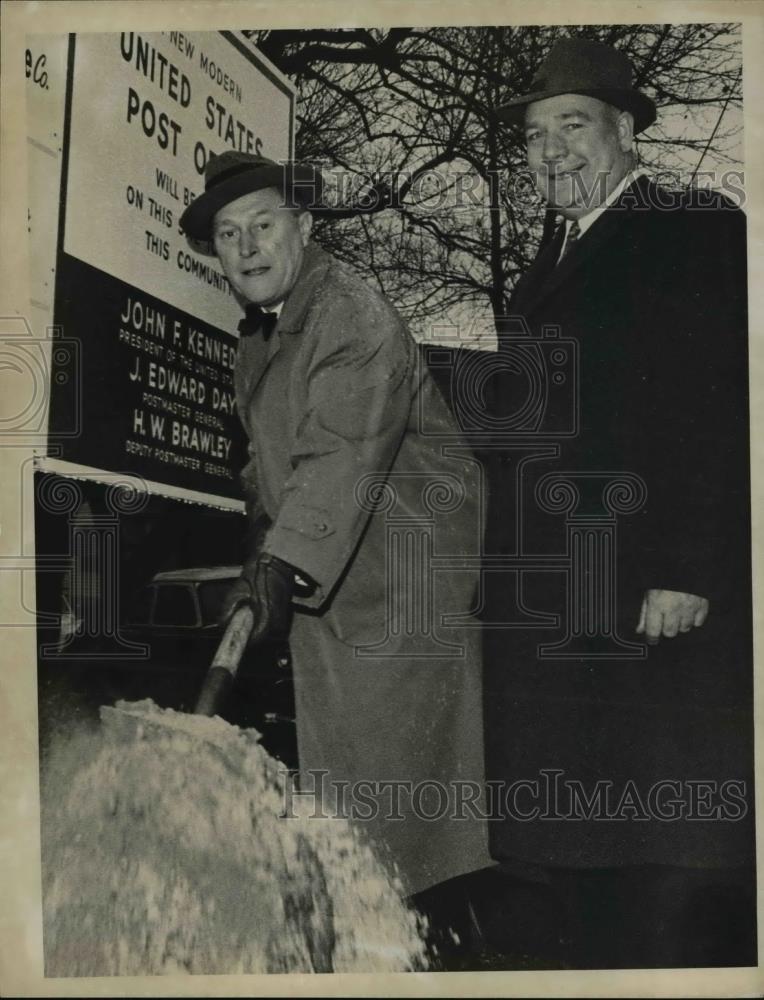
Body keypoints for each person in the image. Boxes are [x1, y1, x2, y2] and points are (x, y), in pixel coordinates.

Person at [480, 37, 755, 967]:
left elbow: (717, 406)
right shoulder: (555, 253)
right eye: (532, 135)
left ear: (627, 131)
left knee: (663, 855)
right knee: (581, 851)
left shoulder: (691, 225)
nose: (550, 151)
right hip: (566, 602)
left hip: (648, 597)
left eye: (573, 125)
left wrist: (685, 568)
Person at [179, 152, 494, 943]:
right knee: (360, 813)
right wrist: (262, 540)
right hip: (341, 584)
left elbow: (340, 453)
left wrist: (281, 562)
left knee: (406, 822)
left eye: (264, 224)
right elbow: (272, 465)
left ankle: (447, 960)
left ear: (305, 228)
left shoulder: (347, 312)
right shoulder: (265, 337)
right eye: (228, 235)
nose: (248, 247)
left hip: (402, 593)